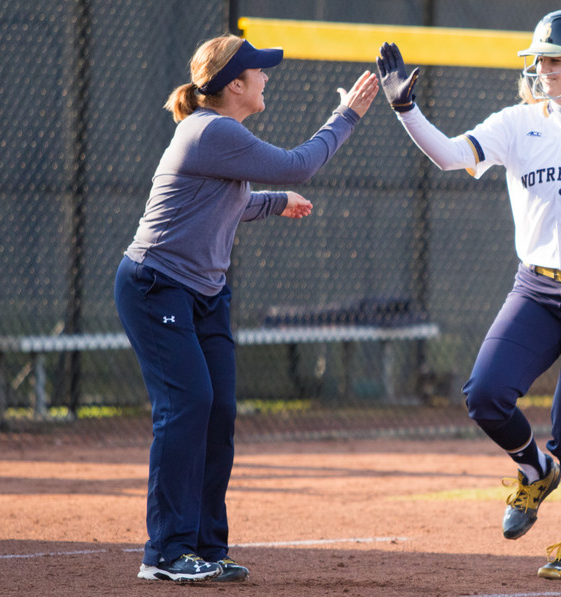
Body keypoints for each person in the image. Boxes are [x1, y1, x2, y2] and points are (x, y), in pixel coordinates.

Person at [377, 8, 561, 580]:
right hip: (537, 288)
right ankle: (535, 472)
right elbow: (453, 155)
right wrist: (406, 110)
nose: (542, 69)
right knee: (484, 394)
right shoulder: (519, 121)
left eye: (554, 60)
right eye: (540, 60)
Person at [115, 34, 378, 582]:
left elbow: (226, 202)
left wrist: (275, 203)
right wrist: (346, 115)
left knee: (218, 413)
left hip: (205, 292)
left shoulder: (221, 136)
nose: (265, 77)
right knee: (187, 406)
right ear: (234, 84)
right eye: (258, 71)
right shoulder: (212, 130)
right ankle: (163, 553)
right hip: (156, 286)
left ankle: (206, 547)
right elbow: (299, 163)